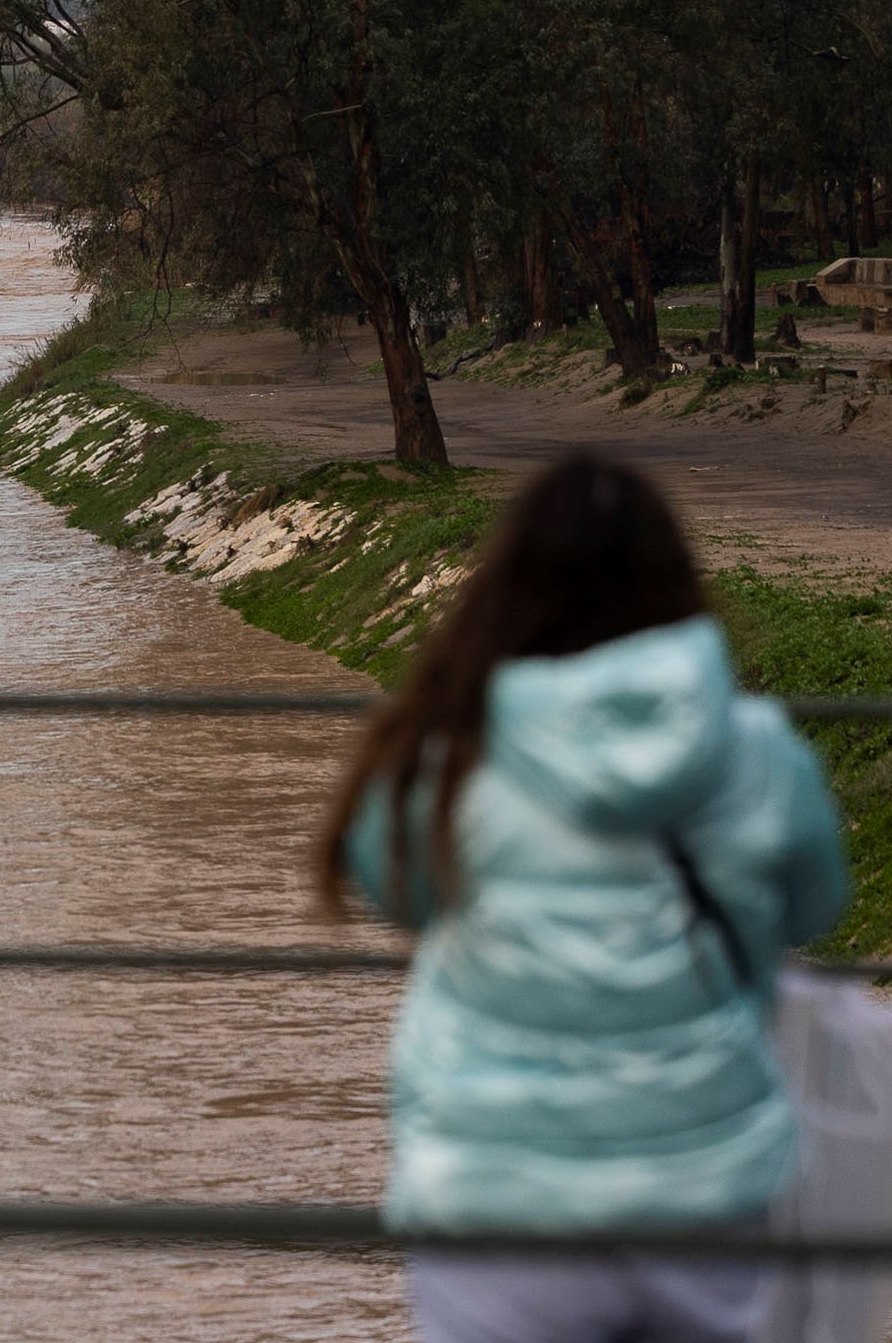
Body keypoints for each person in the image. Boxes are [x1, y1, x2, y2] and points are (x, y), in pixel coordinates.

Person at [319, 451, 850, 1343]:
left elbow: (392, 890)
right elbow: (814, 910)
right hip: (706, 1185)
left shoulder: (448, 755)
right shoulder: (757, 750)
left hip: (496, 1202)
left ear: (507, 585)